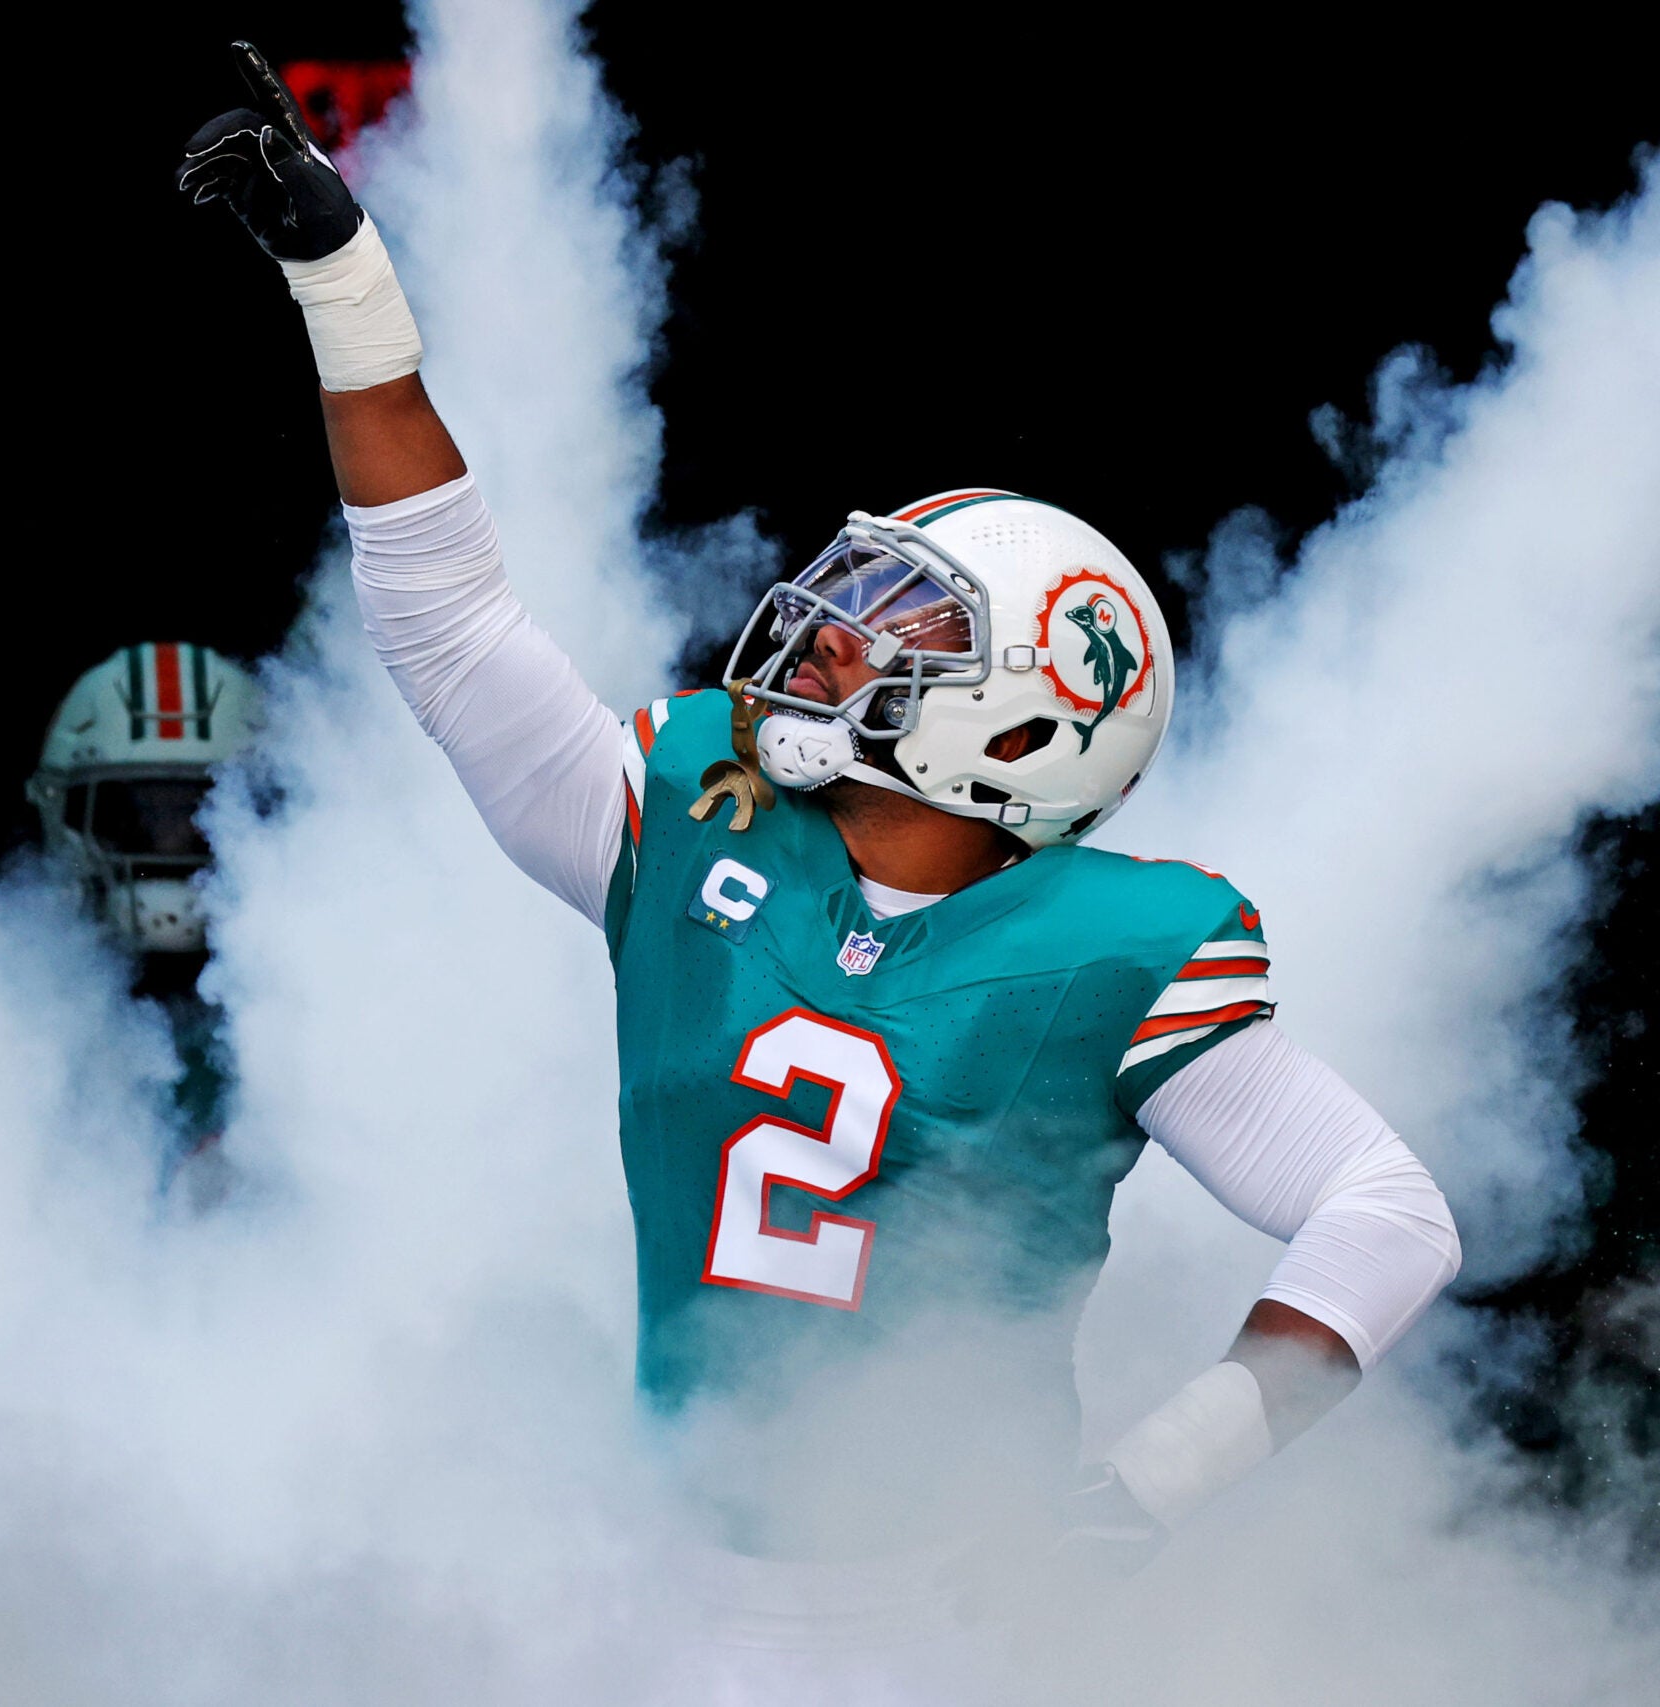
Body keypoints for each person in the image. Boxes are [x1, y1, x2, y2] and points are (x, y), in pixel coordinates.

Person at [179, 54, 1463, 1693]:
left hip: (950, 1614)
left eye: (905, 629)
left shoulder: (1113, 945)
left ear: (1016, 732)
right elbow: (447, 627)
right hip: (663, 1585)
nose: (833, 635)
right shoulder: (699, 814)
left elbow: (1389, 1213)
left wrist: (1152, 1486)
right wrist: (341, 279)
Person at [30, 642, 262, 1167]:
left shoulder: (310, 1023)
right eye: (135, 816)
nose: (166, 842)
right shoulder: (22, 1013)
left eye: (195, 817)